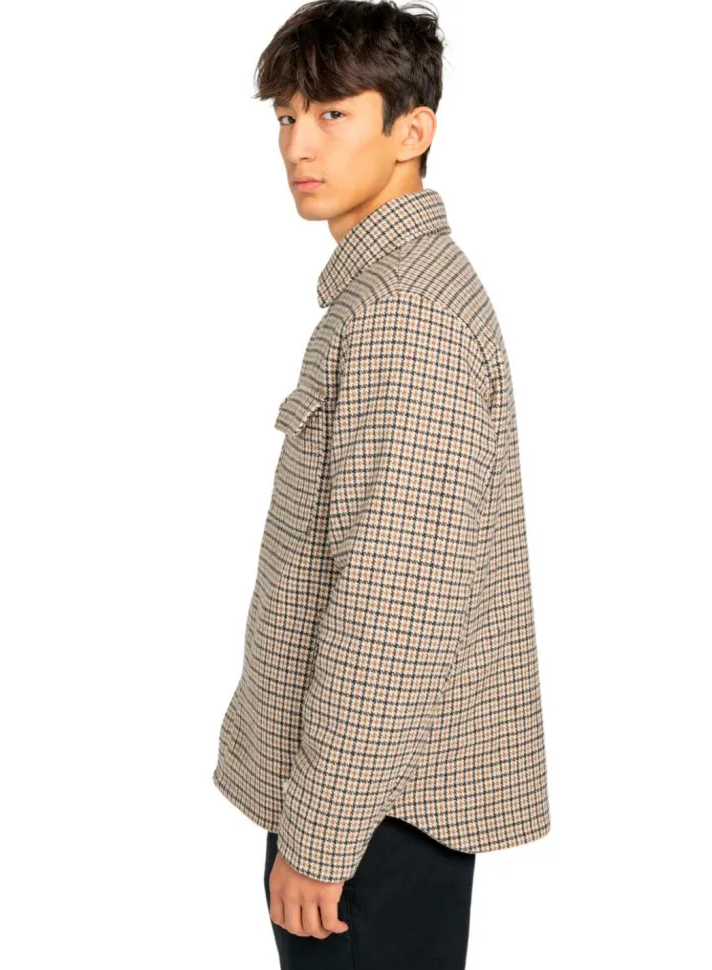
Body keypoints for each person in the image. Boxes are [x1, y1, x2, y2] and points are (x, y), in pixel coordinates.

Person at [211, 2, 551, 965]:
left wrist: (321, 837)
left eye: (332, 114)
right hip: (372, 800)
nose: (298, 145)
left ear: (413, 130)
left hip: (373, 817)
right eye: (287, 116)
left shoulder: (403, 317)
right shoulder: (392, 292)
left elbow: (393, 605)